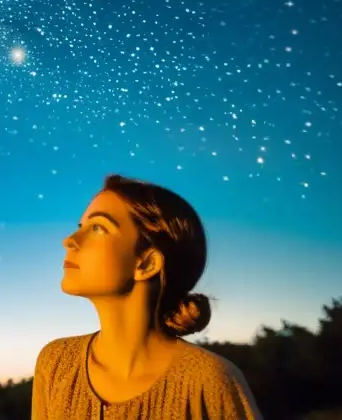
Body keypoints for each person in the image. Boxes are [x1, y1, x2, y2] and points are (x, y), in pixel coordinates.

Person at [31, 174, 263, 419]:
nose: (69, 240)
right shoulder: (56, 362)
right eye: (81, 227)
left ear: (147, 263)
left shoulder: (210, 380)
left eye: (98, 227)